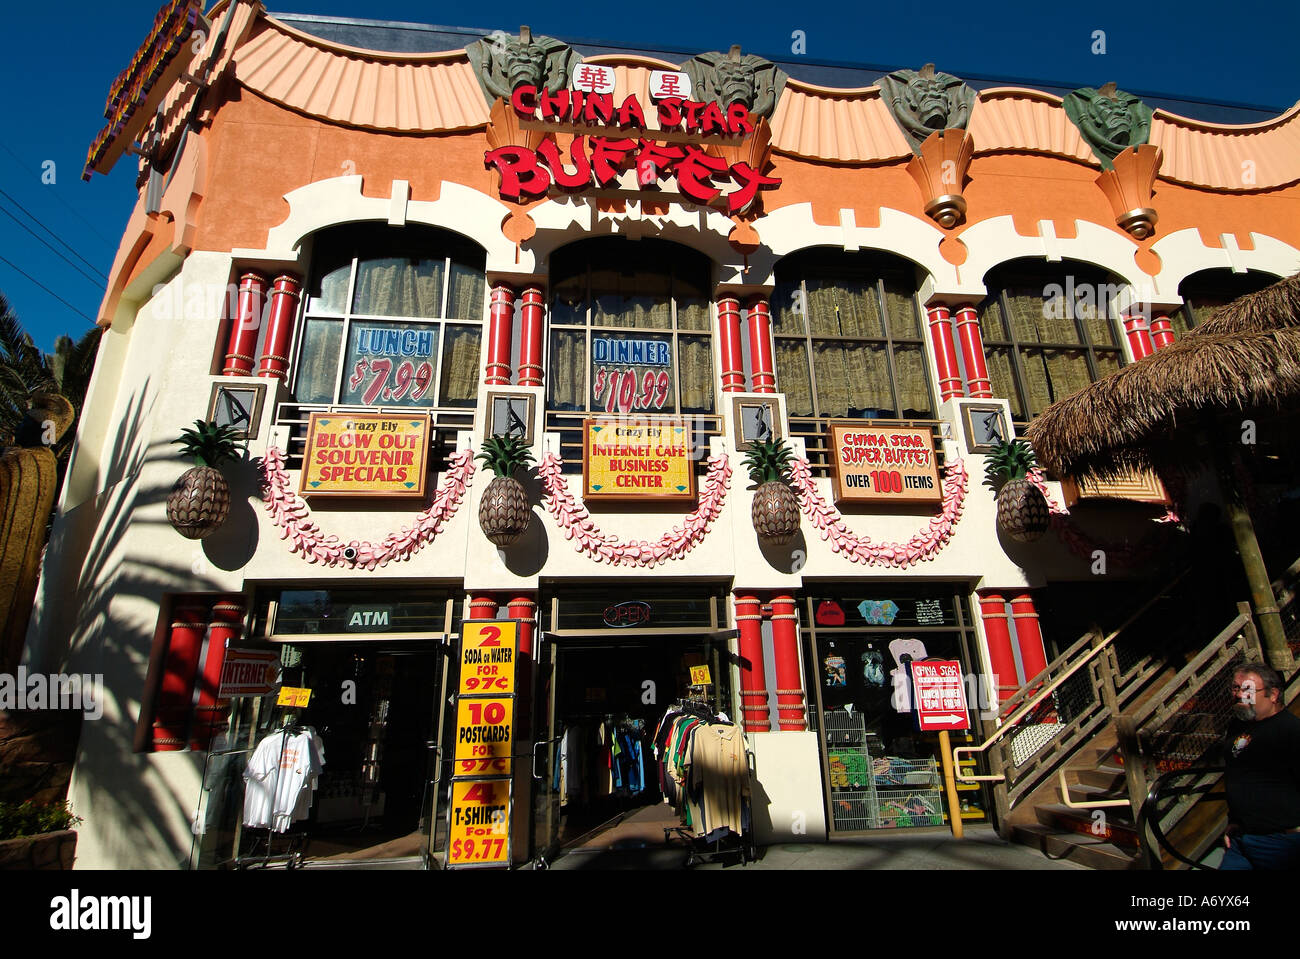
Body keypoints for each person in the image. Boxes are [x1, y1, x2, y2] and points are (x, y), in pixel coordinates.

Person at [1220, 662, 1300, 869]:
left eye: (1247, 689)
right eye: (1235, 688)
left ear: (1273, 695)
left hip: (1282, 843)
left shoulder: (1290, 731)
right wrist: (1234, 820)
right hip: (1241, 839)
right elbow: (1237, 775)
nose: (1239, 694)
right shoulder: (1236, 726)